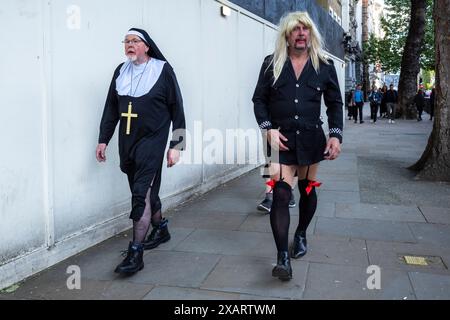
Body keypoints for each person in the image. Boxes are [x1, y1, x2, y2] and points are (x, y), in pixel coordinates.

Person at [252, 11, 343, 281]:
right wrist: (267, 129)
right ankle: (282, 257)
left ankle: (301, 233)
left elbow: (335, 103)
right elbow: (258, 100)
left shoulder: (324, 65)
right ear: (287, 35)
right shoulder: (271, 64)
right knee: (280, 193)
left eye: (305, 29)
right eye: (296, 29)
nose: (301, 33)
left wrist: (336, 135)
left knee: (307, 189)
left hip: (311, 138)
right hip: (279, 139)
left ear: (311, 34)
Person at [96, 28, 186, 275]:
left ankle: (136, 253)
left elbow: (177, 109)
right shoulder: (121, 71)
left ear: (147, 46)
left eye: (135, 41)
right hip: (127, 143)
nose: (129, 44)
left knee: (139, 194)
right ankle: (160, 227)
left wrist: (176, 146)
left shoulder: (162, 70)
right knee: (145, 191)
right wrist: (103, 139)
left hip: (153, 142)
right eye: (126, 41)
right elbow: (111, 109)